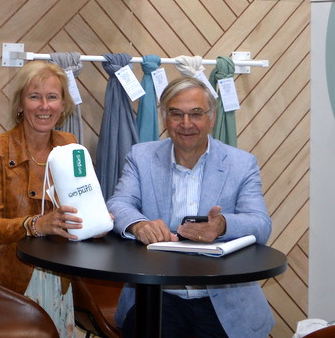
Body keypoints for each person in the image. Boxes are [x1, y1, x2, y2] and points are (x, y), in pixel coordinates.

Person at [107, 76, 274, 338]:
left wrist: (222, 225)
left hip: (223, 300)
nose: (186, 124)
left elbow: (261, 224)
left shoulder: (241, 164)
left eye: (196, 114)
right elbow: (118, 203)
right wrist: (139, 225)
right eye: (176, 114)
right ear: (165, 119)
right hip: (158, 293)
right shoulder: (141, 157)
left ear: (211, 118)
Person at [0, 60, 85, 337]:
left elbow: (79, 204)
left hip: (59, 277)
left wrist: (94, 218)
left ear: (63, 104)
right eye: (34, 97)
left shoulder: (70, 145)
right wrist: (35, 225)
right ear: (20, 104)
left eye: (52, 97)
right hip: (7, 280)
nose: (44, 106)